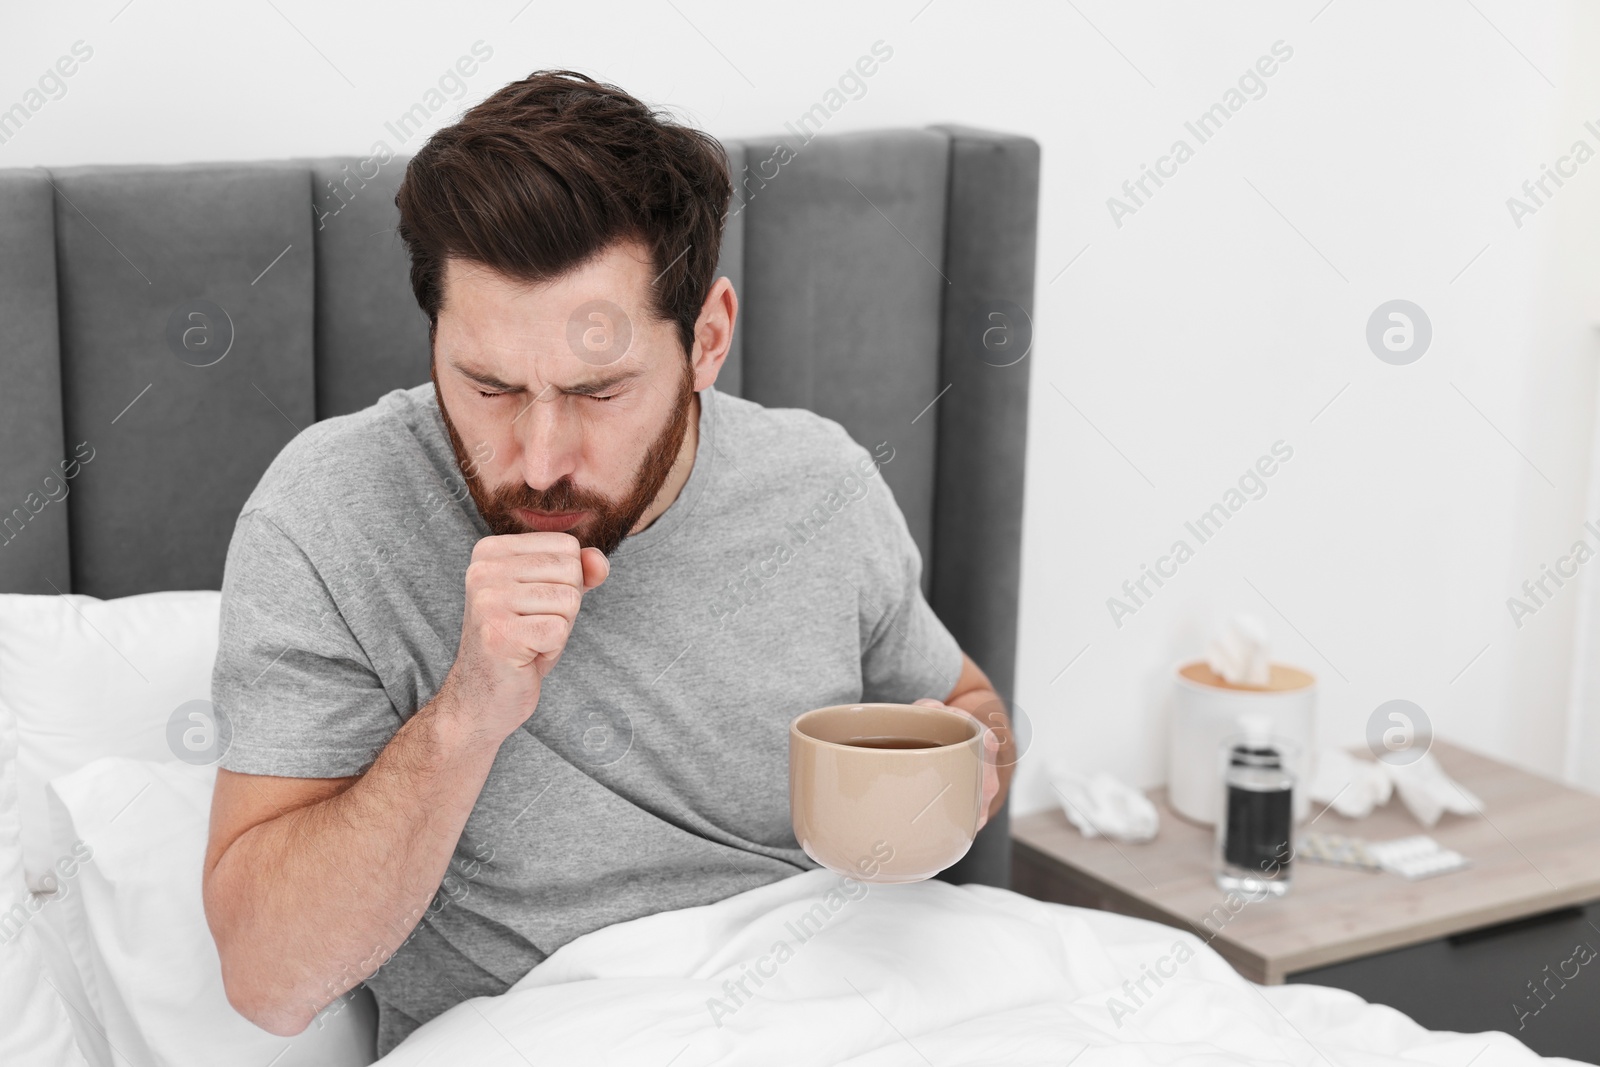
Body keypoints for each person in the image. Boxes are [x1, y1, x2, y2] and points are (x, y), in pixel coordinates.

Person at [200, 69, 1014, 1058]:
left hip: (844, 1007)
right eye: (489, 386)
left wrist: (968, 768)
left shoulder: (820, 484)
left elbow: (964, 708)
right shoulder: (329, 512)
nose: (540, 460)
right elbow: (268, 978)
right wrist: (466, 714)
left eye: (599, 392)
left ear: (707, 338)